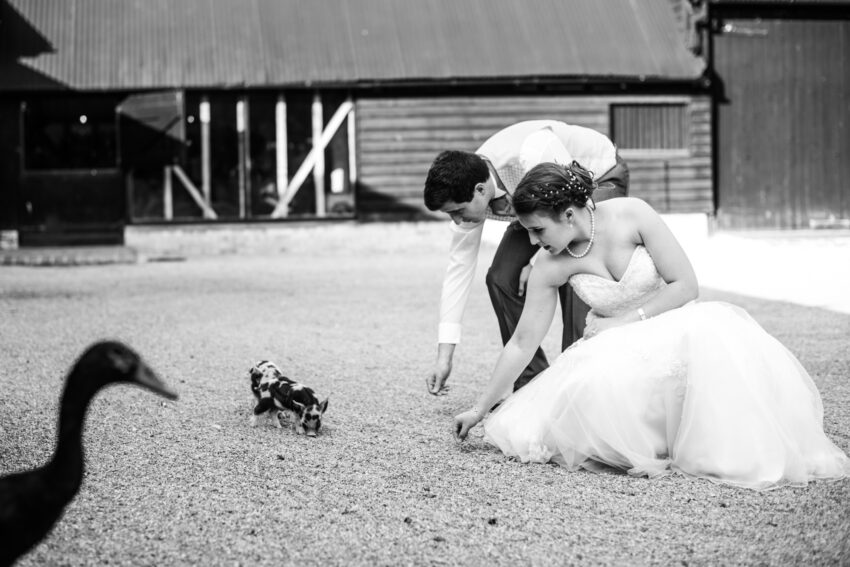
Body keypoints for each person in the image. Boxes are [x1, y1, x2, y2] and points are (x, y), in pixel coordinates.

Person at [453, 161, 850, 490]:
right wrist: (479, 407)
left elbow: (686, 285)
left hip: (668, 322)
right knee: (582, 395)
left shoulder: (633, 214)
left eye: (539, 230)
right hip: (609, 345)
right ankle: (646, 444)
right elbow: (522, 342)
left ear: (569, 214)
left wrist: (626, 322)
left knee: (716, 344)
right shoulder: (550, 266)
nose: (536, 242)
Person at [423, 120, 629, 395]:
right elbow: (458, 272)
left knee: (571, 265)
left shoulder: (534, 152)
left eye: (458, 211)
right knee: (500, 277)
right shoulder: (469, 186)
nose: (457, 220)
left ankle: (577, 380)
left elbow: (572, 215)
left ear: (480, 190)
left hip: (595, 179)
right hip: (538, 206)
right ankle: (532, 381)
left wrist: (539, 263)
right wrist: (444, 357)